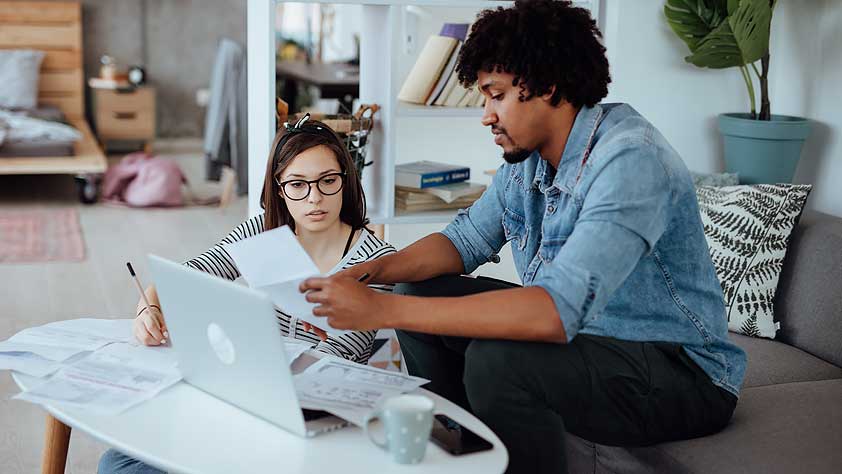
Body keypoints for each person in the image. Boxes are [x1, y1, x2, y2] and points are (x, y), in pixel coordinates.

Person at [299, 1, 747, 473]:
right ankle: (465, 451)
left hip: (682, 372)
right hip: (590, 341)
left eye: (496, 95)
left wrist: (382, 309)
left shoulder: (630, 161)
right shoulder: (528, 159)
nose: (486, 115)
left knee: (498, 361)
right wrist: (368, 274)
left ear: (547, 85)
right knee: (417, 288)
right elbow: (463, 240)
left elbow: (556, 310)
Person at [99, 115, 395, 474]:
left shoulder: (377, 261)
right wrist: (149, 307)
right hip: (247, 395)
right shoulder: (264, 230)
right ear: (280, 187)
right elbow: (186, 276)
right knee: (116, 461)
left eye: (327, 181)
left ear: (345, 181)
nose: (315, 198)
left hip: (312, 419)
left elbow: (336, 357)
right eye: (298, 184)